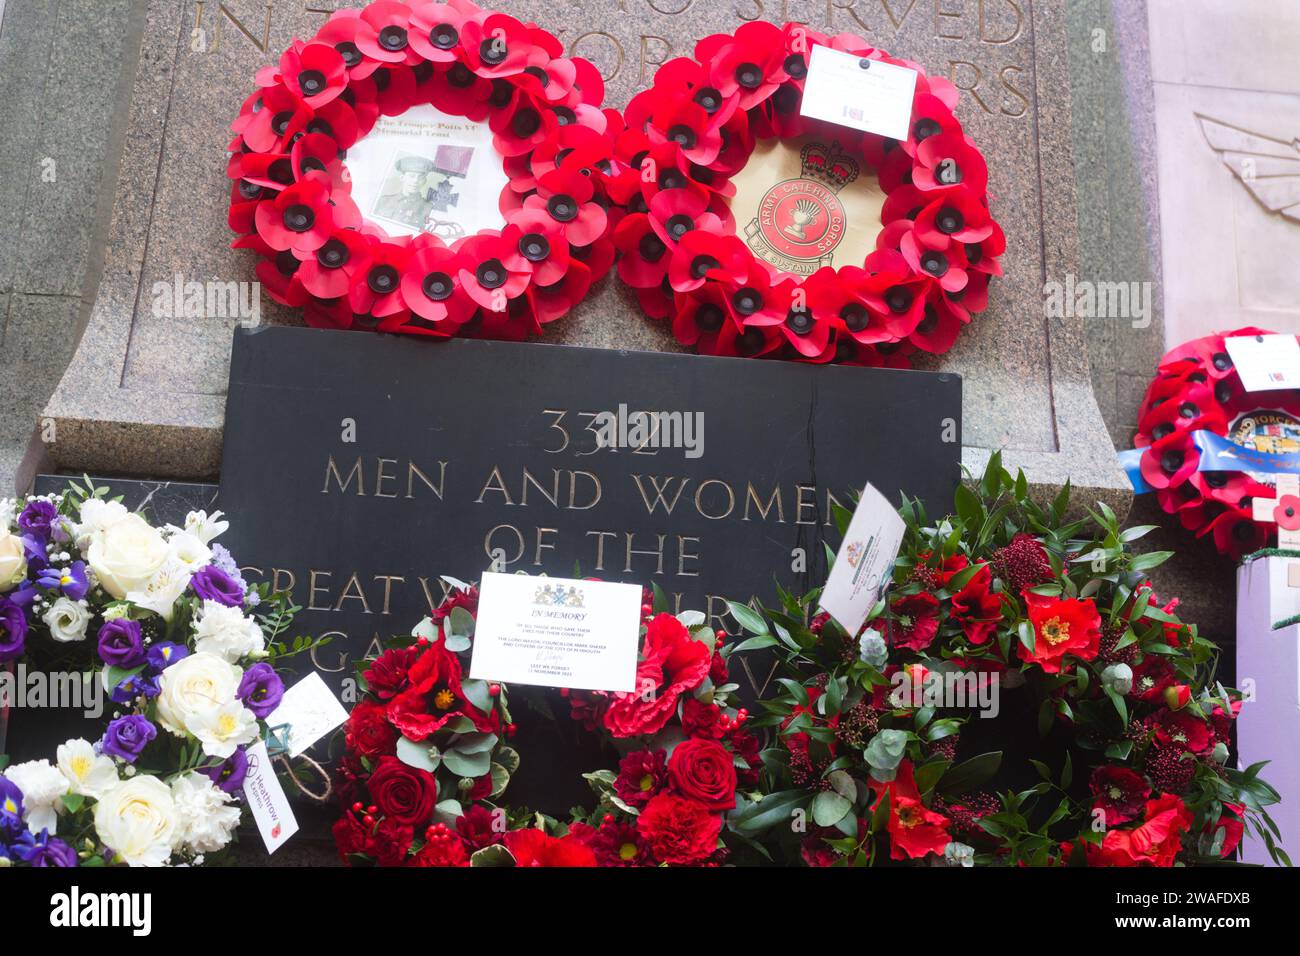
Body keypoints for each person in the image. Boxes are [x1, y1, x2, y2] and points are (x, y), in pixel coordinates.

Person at [374, 155, 434, 229]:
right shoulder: (383, 201)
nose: (415, 181)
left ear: (424, 181)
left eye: (420, 177)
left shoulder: (428, 208)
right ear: (402, 178)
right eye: (411, 176)